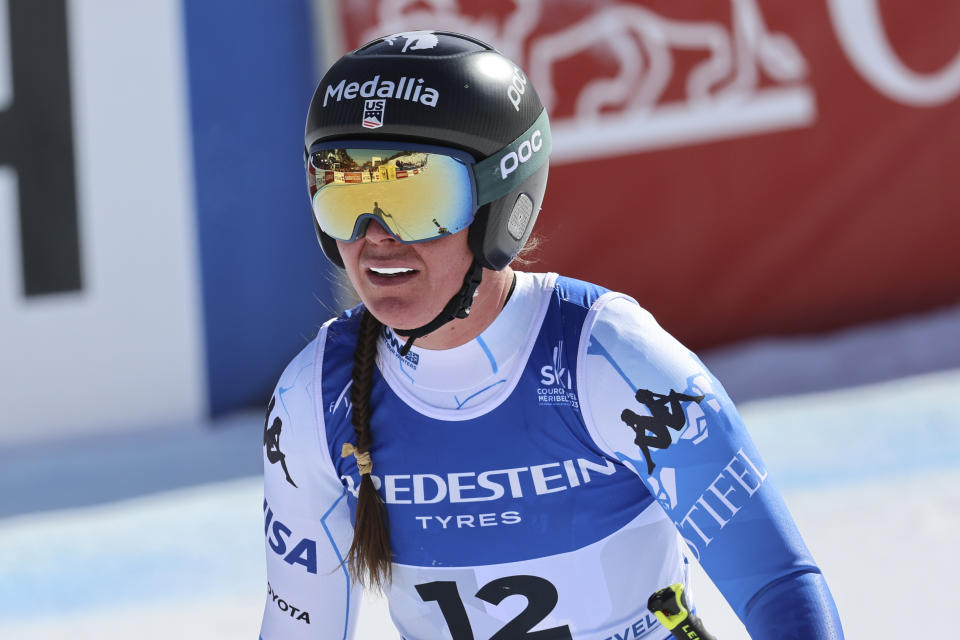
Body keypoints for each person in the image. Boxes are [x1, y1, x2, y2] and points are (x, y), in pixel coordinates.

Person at [260, 31, 844, 640]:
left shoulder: (608, 360)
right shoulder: (312, 400)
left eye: (414, 195)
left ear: (498, 207)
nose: (375, 234)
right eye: (344, 190)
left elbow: (779, 584)